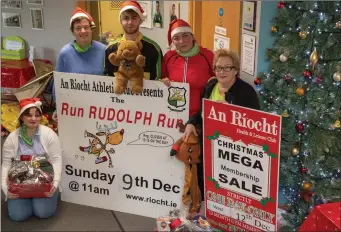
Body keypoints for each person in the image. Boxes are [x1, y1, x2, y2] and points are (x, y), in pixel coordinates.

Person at [183, 49, 260, 202]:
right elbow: (202, 110)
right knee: (207, 182)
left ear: (235, 70)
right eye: (218, 67)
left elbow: (254, 126)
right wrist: (191, 122)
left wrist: (231, 113)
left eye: (227, 68)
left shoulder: (246, 92)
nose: (222, 71)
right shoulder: (211, 85)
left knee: (229, 190)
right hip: (209, 144)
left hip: (233, 152)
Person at [1, 98, 62, 221]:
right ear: (21, 117)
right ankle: (29, 199)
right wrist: (5, 188)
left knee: (43, 213)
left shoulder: (49, 134)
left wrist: (55, 184)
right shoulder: (12, 138)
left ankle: (42, 198)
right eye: (29, 115)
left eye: (37, 115)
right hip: (20, 182)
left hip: (45, 181)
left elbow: (56, 160)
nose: (33, 119)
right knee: (18, 216)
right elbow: (6, 164)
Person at [50, 7, 106, 122]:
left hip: (100, 108)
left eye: (86, 27)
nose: (83, 31)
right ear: (73, 31)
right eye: (78, 28)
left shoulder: (103, 50)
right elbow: (58, 83)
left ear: (91, 29)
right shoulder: (65, 53)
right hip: (75, 108)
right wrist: (58, 107)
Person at [162, 19, 215, 117]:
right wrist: (163, 82)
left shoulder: (208, 56)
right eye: (176, 38)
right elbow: (161, 80)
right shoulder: (168, 57)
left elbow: (219, 81)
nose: (182, 41)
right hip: (172, 114)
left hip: (200, 115)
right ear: (173, 41)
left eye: (185, 35)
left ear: (192, 36)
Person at [104, 1, 163, 80]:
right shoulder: (110, 49)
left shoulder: (154, 49)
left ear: (140, 20)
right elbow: (106, 81)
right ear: (120, 21)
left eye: (134, 18)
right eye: (126, 18)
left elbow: (158, 82)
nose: (130, 22)